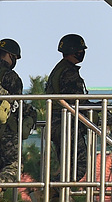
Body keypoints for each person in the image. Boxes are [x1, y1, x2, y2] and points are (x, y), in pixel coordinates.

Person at [45, 34, 90, 196]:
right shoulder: (69, 72)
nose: (82, 52)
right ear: (72, 51)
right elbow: (77, 101)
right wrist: (98, 111)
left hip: (60, 125)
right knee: (78, 167)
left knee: (67, 166)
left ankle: (54, 193)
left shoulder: (60, 69)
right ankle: (49, 192)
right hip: (67, 125)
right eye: (79, 50)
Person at [0, 38, 34, 186]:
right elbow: (16, 105)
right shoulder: (10, 77)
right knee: (13, 167)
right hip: (5, 132)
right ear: (9, 55)